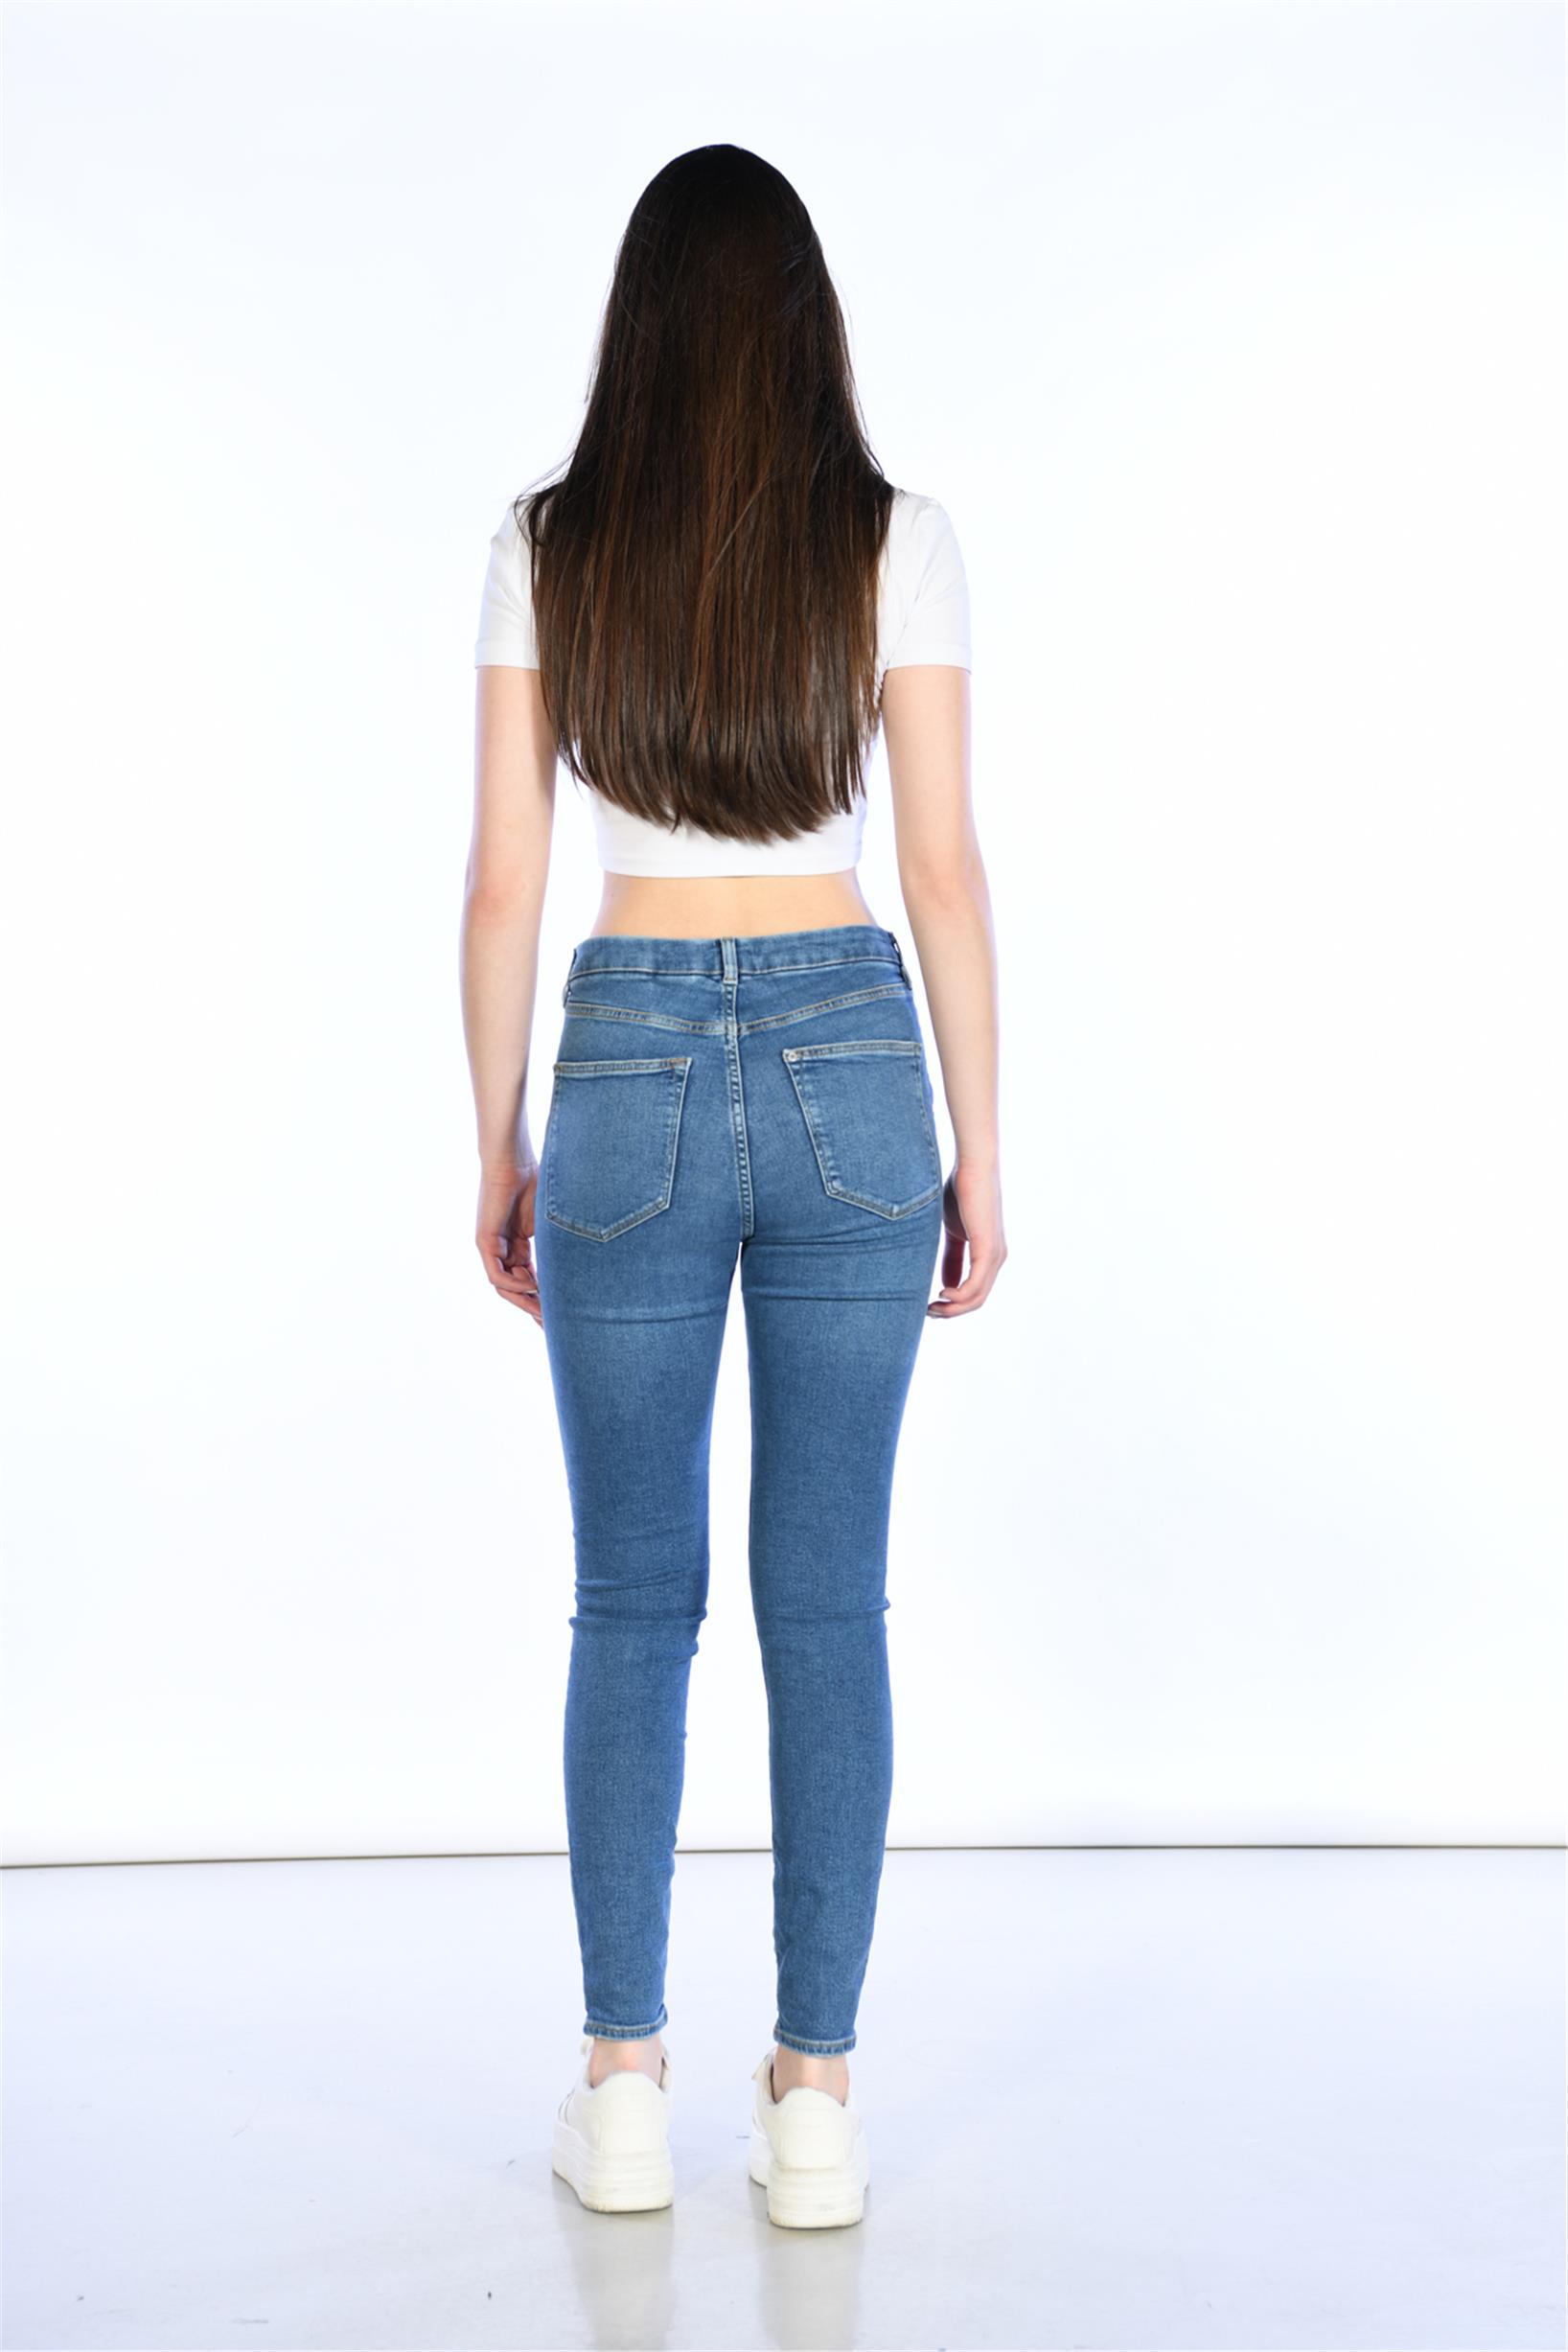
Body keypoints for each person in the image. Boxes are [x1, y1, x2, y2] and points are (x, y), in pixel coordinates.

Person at [459, 144, 1004, 2230]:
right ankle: (816, 2100)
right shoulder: (895, 540)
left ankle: (621, 2085)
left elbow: (504, 880)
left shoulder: (547, 544)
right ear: (805, 330)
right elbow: (938, 865)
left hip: (622, 1050)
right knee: (828, 1600)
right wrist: (979, 1141)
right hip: (854, 1048)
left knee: (630, 1596)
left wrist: (498, 1135)